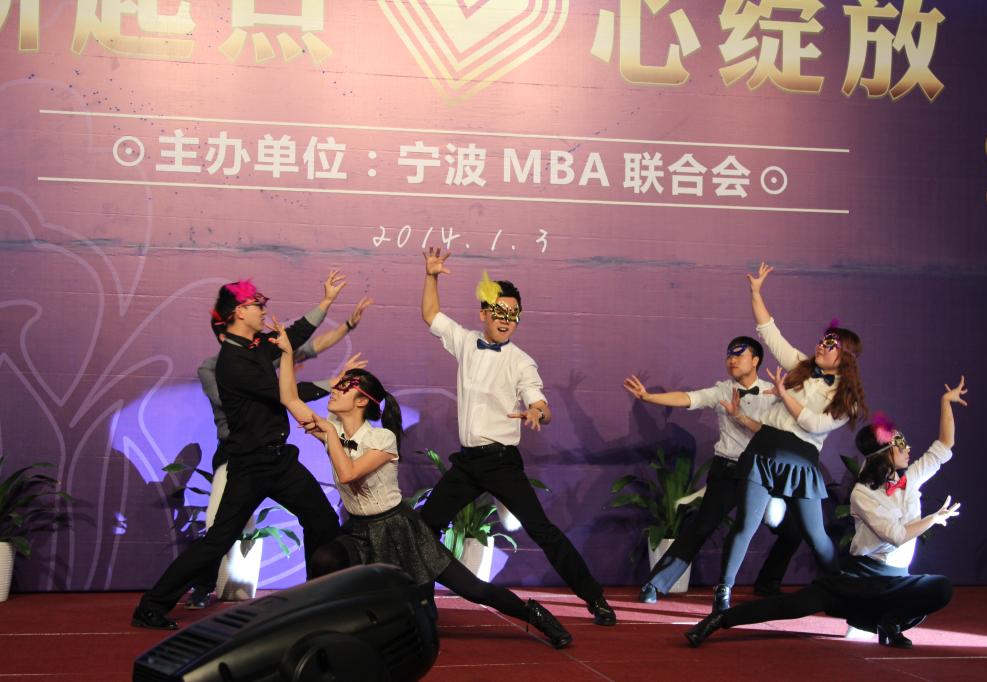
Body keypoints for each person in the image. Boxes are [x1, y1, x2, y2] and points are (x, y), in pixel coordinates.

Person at [272, 321, 573, 649]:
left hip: (400, 530)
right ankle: (316, 629)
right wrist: (286, 353)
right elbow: (289, 397)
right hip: (360, 531)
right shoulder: (334, 430)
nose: (335, 389)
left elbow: (348, 474)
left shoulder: (382, 439)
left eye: (344, 386)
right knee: (326, 559)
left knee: (473, 589)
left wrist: (329, 433)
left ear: (361, 401)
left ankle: (534, 614)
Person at [131, 274, 347, 629]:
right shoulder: (233, 362)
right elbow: (287, 394)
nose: (262, 310)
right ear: (238, 312)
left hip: (280, 460)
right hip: (251, 465)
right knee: (218, 541)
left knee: (322, 521)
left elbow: (292, 336)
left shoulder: (253, 346)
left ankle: (314, 598)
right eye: (255, 305)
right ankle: (151, 606)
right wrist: (331, 385)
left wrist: (326, 302)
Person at [686, 378, 965, 648]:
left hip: (898, 578)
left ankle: (890, 622)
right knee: (793, 606)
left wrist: (945, 402)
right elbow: (896, 536)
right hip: (861, 578)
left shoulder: (910, 480)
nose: (908, 448)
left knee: (939, 588)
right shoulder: (863, 494)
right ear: (885, 452)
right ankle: (720, 619)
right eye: (901, 443)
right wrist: (933, 518)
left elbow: (944, 446)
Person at [417, 248, 617, 625]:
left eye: (514, 314)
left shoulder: (521, 361)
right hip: (467, 463)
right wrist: (431, 276)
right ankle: (422, 603)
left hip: (501, 463)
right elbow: (430, 315)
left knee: (541, 530)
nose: (507, 321)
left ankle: (596, 598)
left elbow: (541, 403)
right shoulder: (465, 341)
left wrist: (537, 412)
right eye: (500, 312)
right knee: (423, 528)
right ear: (484, 314)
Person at [185, 296, 372, 609]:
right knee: (219, 526)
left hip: (273, 457)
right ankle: (202, 586)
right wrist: (289, 387)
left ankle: (317, 588)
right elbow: (243, 397)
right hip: (236, 457)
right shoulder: (216, 367)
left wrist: (344, 322)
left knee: (319, 518)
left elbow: (307, 347)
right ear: (227, 331)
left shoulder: (257, 357)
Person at [714, 263, 869, 612]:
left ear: (845, 355)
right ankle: (723, 592)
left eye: (830, 344)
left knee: (815, 535)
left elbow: (814, 425)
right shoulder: (800, 366)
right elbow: (771, 333)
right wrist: (756, 292)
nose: (821, 345)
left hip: (801, 460)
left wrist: (784, 395)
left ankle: (844, 595)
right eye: (823, 340)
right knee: (745, 524)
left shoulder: (847, 398)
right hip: (765, 450)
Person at [623, 336, 804, 603]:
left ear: (755, 360)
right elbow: (688, 398)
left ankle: (767, 584)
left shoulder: (774, 393)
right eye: (729, 355)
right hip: (727, 471)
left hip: (762, 473)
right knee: (701, 527)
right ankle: (655, 584)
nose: (732, 360)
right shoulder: (722, 391)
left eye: (739, 355)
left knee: (792, 530)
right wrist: (649, 397)